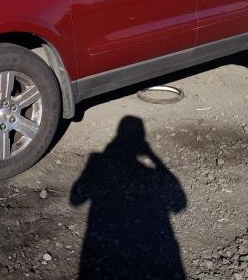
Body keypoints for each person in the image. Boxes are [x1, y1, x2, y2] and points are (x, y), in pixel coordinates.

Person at [70, 115, 187, 279]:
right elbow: (179, 204)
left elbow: (76, 199)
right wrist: (153, 157)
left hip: (102, 250)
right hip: (148, 250)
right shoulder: (147, 172)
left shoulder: (98, 161)